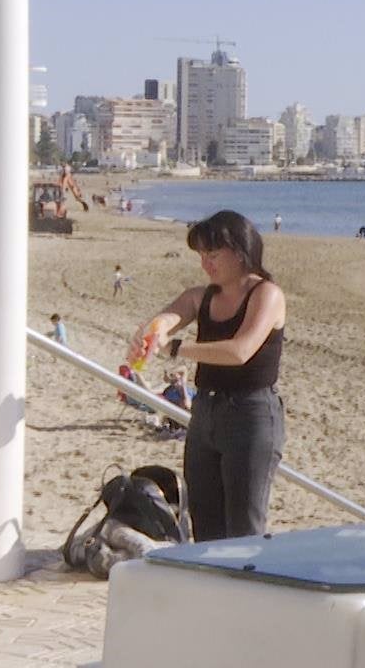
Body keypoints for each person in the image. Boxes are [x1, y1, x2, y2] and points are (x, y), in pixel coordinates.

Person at [129, 210, 287, 541]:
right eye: (201, 255)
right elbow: (169, 317)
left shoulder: (266, 294)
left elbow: (240, 351)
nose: (206, 264)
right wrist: (150, 333)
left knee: (244, 527)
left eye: (213, 255)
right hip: (205, 413)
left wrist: (175, 348)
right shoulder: (201, 296)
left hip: (251, 413)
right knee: (205, 521)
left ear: (241, 252)